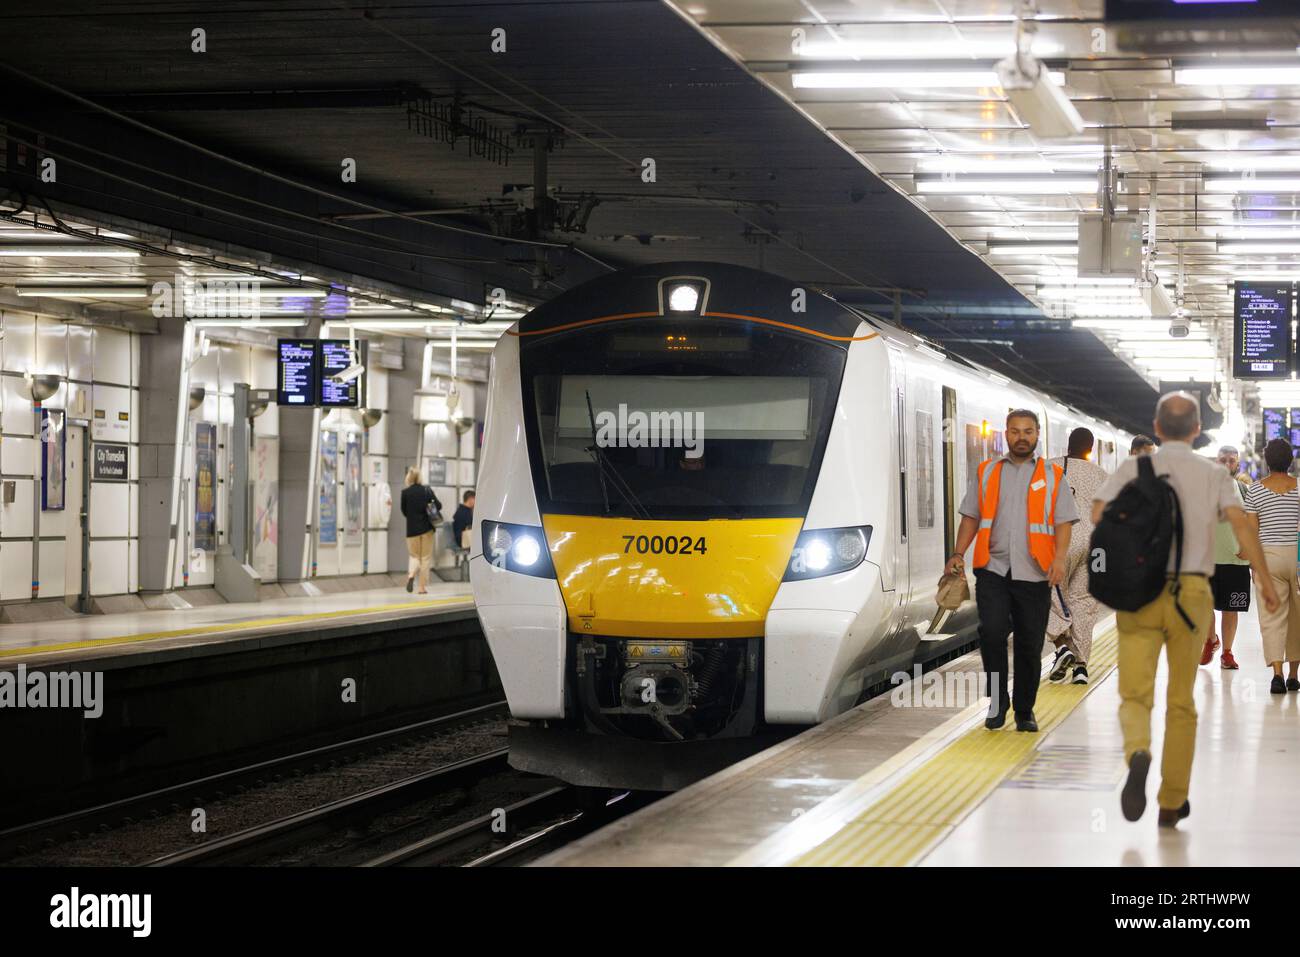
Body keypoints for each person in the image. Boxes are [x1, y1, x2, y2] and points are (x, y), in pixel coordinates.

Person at [1094, 393, 1278, 829]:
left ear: (1157, 429)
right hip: (1193, 592)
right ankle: (1172, 800)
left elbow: (1100, 513)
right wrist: (1266, 581)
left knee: (1135, 692)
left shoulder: (1135, 468)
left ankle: (1138, 750)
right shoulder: (1214, 473)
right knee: (1181, 700)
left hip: (1140, 593)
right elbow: (1242, 525)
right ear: (1197, 431)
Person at [945, 409, 1078, 733]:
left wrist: (1059, 560)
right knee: (991, 633)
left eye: (1028, 431)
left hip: (1035, 572)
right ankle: (997, 702)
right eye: (1016, 431)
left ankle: (1024, 710)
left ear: (1037, 435)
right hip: (993, 568)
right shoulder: (987, 472)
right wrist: (958, 552)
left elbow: (1063, 523)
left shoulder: (1052, 476)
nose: (1022, 437)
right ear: (1006, 434)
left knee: (1030, 644)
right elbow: (971, 517)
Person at [1046, 427, 1109, 685]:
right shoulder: (1102, 475)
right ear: (1090, 449)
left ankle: (1062, 646)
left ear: (1067, 446)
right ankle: (1081, 667)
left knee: (1048, 594)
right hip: (1095, 546)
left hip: (1061, 541)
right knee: (1084, 602)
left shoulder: (1048, 468)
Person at [1241, 439, 1300, 694]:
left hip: (1267, 559)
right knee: (1297, 618)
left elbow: (1252, 533)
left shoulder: (1254, 491)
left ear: (1266, 461)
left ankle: (1277, 675)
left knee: (1272, 617)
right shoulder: (1299, 488)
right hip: (1296, 558)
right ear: (1290, 461)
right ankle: (1294, 676)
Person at [1202, 447, 1251, 670]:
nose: (1226, 464)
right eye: (1223, 460)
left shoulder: (1244, 490)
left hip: (1236, 560)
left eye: (1231, 461)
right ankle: (1211, 640)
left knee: (1230, 608)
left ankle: (1227, 653)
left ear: (1237, 464)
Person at [400, 467, 441, 595]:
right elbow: (439, 506)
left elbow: (404, 511)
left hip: (412, 530)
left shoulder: (405, 492)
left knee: (414, 556)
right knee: (425, 558)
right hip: (427, 529)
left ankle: (411, 575)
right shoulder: (426, 490)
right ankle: (422, 588)